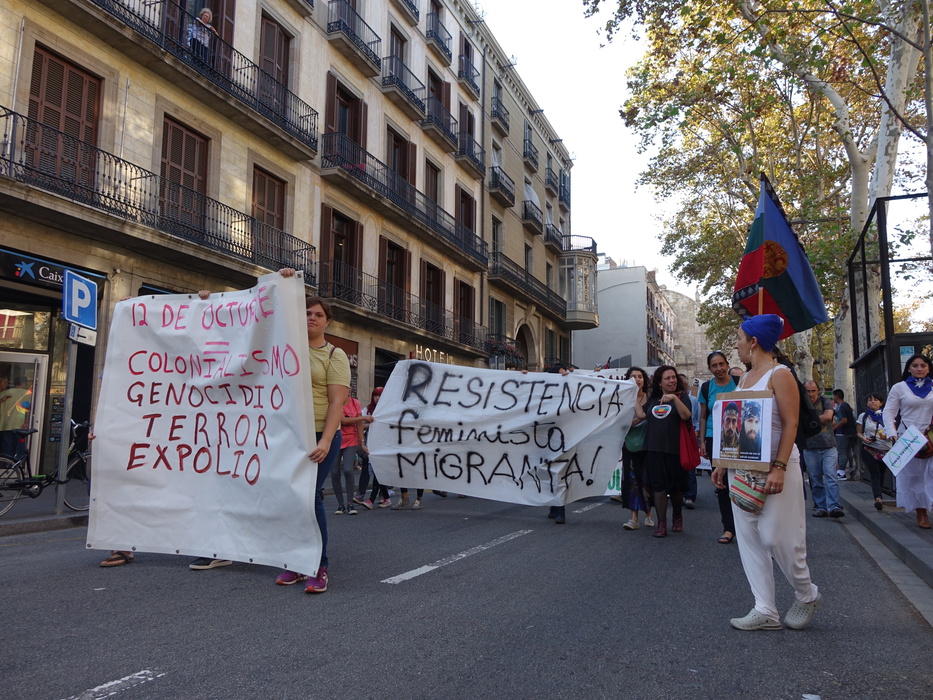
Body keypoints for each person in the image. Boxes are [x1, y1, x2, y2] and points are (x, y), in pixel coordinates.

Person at [712, 314, 822, 631]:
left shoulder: (780, 374)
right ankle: (765, 610)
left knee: (779, 537)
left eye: (739, 338)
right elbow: (736, 425)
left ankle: (807, 593)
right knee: (749, 539)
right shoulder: (745, 378)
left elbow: (791, 424)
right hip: (741, 468)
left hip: (777, 468)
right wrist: (723, 462)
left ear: (754, 341)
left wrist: (780, 466)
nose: (736, 344)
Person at [275, 278, 351, 593]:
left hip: (321, 434)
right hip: (289, 433)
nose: (311, 318)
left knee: (311, 496)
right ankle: (297, 563)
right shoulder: (284, 347)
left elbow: (337, 402)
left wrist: (325, 440)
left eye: (318, 314)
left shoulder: (335, 355)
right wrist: (206, 303)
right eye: (306, 313)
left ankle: (319, 565)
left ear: (327, 321)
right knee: (292, 499)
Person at [633, 365, 692, 537]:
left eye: (673, 377)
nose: (672, 381)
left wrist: (674, 398)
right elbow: (641, 415)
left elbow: (686, 415)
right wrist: (633, 394)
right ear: (659, 382)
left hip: (675, 450)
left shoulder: (682, 397)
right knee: (658, 487)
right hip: (654, 449)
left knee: (675, 488)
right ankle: (661, 524)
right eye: (667, 378)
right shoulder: (653, 399)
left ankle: (677, 516)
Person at [882, 354, 933, 529]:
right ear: (909, 368)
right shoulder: (899, 387)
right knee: (915, 477)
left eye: (923, 365)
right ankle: (921, 512)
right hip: (909, 438)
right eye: (915, 365)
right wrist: (891, 432)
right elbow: (889, 412)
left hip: (931, 436)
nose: (919, 369)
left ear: (928, 367)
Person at [698, 351, 738, 544]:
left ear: (727, 364)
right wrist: (702, 442)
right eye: (714, 365)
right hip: (714, 438)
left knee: (741, 481)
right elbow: (702, 416)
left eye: (721, 364)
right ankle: (729, 528)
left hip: (739, 438)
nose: (719, 368)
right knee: (722, 484)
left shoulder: (739, 382)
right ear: (709, 368)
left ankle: (747, 527)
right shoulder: (706, 388)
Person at [803, 381, 844, 518]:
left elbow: (828, 416)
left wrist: (809, 420)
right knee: (815, 478)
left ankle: (834, 506)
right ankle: (821, 507)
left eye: (813, 391)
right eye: (808, 391)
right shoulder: (801, 404)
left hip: (829, 446)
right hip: (810, 447)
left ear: (818, 391)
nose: (811, 394)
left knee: (831, 475)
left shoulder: (825, 400)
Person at [620, 367, 654, 531]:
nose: (637, 379)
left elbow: (652, 418)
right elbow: (622, 424)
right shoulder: (623, 399)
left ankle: (648, 514)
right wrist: (640, 418)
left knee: (647, 480)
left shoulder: (652, 398)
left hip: (648, 445)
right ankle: (633, 518)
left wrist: (639, 418)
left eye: (640, 376)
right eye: (633, 376)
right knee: (632, 481)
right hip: (629, 445)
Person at [355, 387, 390, 509]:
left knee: (378, 469)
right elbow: (360, 424)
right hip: (371, 443)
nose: (377, 398)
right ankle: (383, 497)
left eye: (380, 396)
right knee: (374, 468)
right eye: (375, 395)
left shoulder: (388, 409)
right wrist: (371, 424)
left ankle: (377, 497)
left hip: (384, 443)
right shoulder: (368, 409)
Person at [856, 392, 893, 511]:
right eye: (870, 400)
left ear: (881, 403)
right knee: (875, 472)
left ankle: (879, 495)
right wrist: (864, 438)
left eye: (876, 400)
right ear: (867, 403)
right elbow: (859, 433)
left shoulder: (888, 416)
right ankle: (878, 498)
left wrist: (887, 436)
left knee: (881, 473)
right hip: (869, 448)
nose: (872, 402)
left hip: (885, 449)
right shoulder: (863, 416)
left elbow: (893, 432)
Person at [332, 392, 365, 515]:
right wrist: (363, 417)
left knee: (348, 470)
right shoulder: (334, 402)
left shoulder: (355, 403)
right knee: (335, 472)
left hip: (351, 439)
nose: (347, 391)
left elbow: (359, 425)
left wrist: (362, 443)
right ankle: (340, 504)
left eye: (348, 389)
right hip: (335, 438)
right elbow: (343, 420)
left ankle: (350, 503)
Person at [679, 373, 701, 509]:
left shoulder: (693, 400)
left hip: (689, 435)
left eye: (683, 382)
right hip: (676, 437)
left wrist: (695, 435)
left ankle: (690, 496)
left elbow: (697, 419)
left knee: (690, 467)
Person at [833, 389, 858, 481]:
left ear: (836, 396)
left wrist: (834, 428)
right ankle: (850, 468)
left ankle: (841, 472)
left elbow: (844, 420)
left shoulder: (841, 406)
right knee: (847, 451)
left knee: (842, 452)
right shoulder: (846, 405)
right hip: (851, 432)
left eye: (833, 396)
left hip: (843, 433)